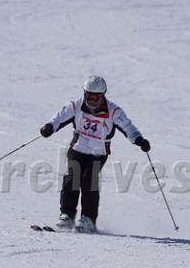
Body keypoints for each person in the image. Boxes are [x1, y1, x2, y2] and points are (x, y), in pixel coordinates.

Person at [39, 76, 151, 233]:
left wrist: (139, 140)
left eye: (95, 97)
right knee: (72, 178)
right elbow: (59, 117)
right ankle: (67, 216)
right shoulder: (76, 105)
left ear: (102, 95)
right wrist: (49, 127)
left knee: (89, 181)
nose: (91, 100)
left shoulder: (113, 111)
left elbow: (128, 127)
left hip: (98, 152)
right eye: (89, 95)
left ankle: (88, 219)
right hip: (77, 148)